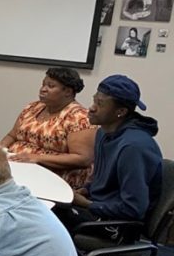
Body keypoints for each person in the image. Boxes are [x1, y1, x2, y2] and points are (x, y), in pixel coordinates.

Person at [56, 74, 163, 240]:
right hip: (99, 209)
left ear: (120, 112)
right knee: (42, 207)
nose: (91, 108)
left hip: (121, 226)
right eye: (94, 100)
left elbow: (134, 208)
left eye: (100, 104)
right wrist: (85, 191)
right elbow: (103, 183)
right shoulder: (103, 133)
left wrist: (86, 203)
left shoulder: (133, 147)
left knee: (47, 219)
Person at [0, 67, 95, 188]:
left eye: (50, 86)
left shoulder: (79, 117)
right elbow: (12, 135)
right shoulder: (33, 107)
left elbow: (82, 159)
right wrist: (0, 148)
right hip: (19, 166)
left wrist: (37, 158)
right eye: (43, 85)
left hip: (52, 175)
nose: (43, 89)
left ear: (68, 92)